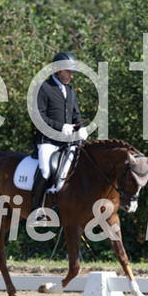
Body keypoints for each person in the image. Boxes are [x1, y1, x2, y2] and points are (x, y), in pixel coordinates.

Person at [31, 52, 88, 222]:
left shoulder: (70, 90)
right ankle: (36, 211)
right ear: (57, 69)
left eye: (72, 72)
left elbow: (76, 114)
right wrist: (60, 127)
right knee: (46, 171)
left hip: (68, 141)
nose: (71, 75)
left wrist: (81, 128)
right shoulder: (43, 87)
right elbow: (38, 116)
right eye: (68, 72)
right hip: (48, 140)